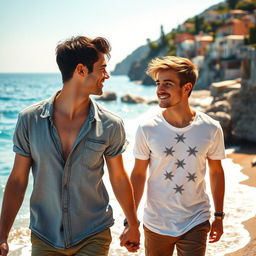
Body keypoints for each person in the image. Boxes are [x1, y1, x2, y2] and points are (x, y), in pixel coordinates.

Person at [0, 36, 140, 256]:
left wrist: (132, 224)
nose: (107, 75)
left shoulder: (111, 124)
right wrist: (2, 234)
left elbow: (119, 177)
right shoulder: (29, 120)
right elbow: (18, 179)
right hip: (44, 236)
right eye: (102, 68)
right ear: (81, 70)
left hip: (93, 233)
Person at [129, 56, 225, 256]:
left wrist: (219, 216)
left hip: (195, 219)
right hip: (156, 222)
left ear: (187, 87)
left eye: (168, 84)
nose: (160, 90)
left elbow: (216, 172)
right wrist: (130, 222)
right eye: (158, 83)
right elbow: (138, 174)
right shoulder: (147, 128)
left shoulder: (211, 128)